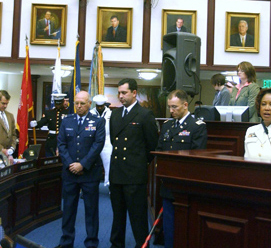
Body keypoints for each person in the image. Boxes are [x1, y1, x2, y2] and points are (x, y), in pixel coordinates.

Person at [109, 78, 158, 248]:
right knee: (118, 215)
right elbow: (114, 141)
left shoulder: (145, 114)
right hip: (116, 174)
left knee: (138, 216)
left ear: (134, 93)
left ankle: (141, 245)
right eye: (119, 93)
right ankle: (116, 245)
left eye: (124, 92)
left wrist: (137, 163)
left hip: (134, 175)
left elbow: (152, 146)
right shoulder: (115, 114)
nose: (120, 96)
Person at [156, 90, 207, 248]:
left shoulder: (196, 126)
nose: (171, 111)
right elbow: (160, 150)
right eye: (169, 107)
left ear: (185, 105)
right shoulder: (167, 125)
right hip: (167, 184)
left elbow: (197, 157)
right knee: (169, 228)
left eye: (175, 107)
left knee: (186, 229)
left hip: (186, 186)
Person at [56, 91, 105, 248]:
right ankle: (66, 242)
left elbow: (98, 145)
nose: (78, 106)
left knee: (91, 210)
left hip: (90, 173)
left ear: (89, 104)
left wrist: (82, 165)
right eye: (76, 103)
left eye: (82, 103)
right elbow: (61, 144)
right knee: (69, 209)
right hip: (70, 173)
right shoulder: (66, 121)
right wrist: (71, 164)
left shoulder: (98, 121)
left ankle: (91, 242)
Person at [89, 94, 112, 186]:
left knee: (108, 164)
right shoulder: (90, 113)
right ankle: (88, 185)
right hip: (93, 141)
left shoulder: (111, 113)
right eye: (98, 106)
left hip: (107, 140)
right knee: (90, 163)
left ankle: (108, 184)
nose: (99, 108)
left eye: (101, 106)